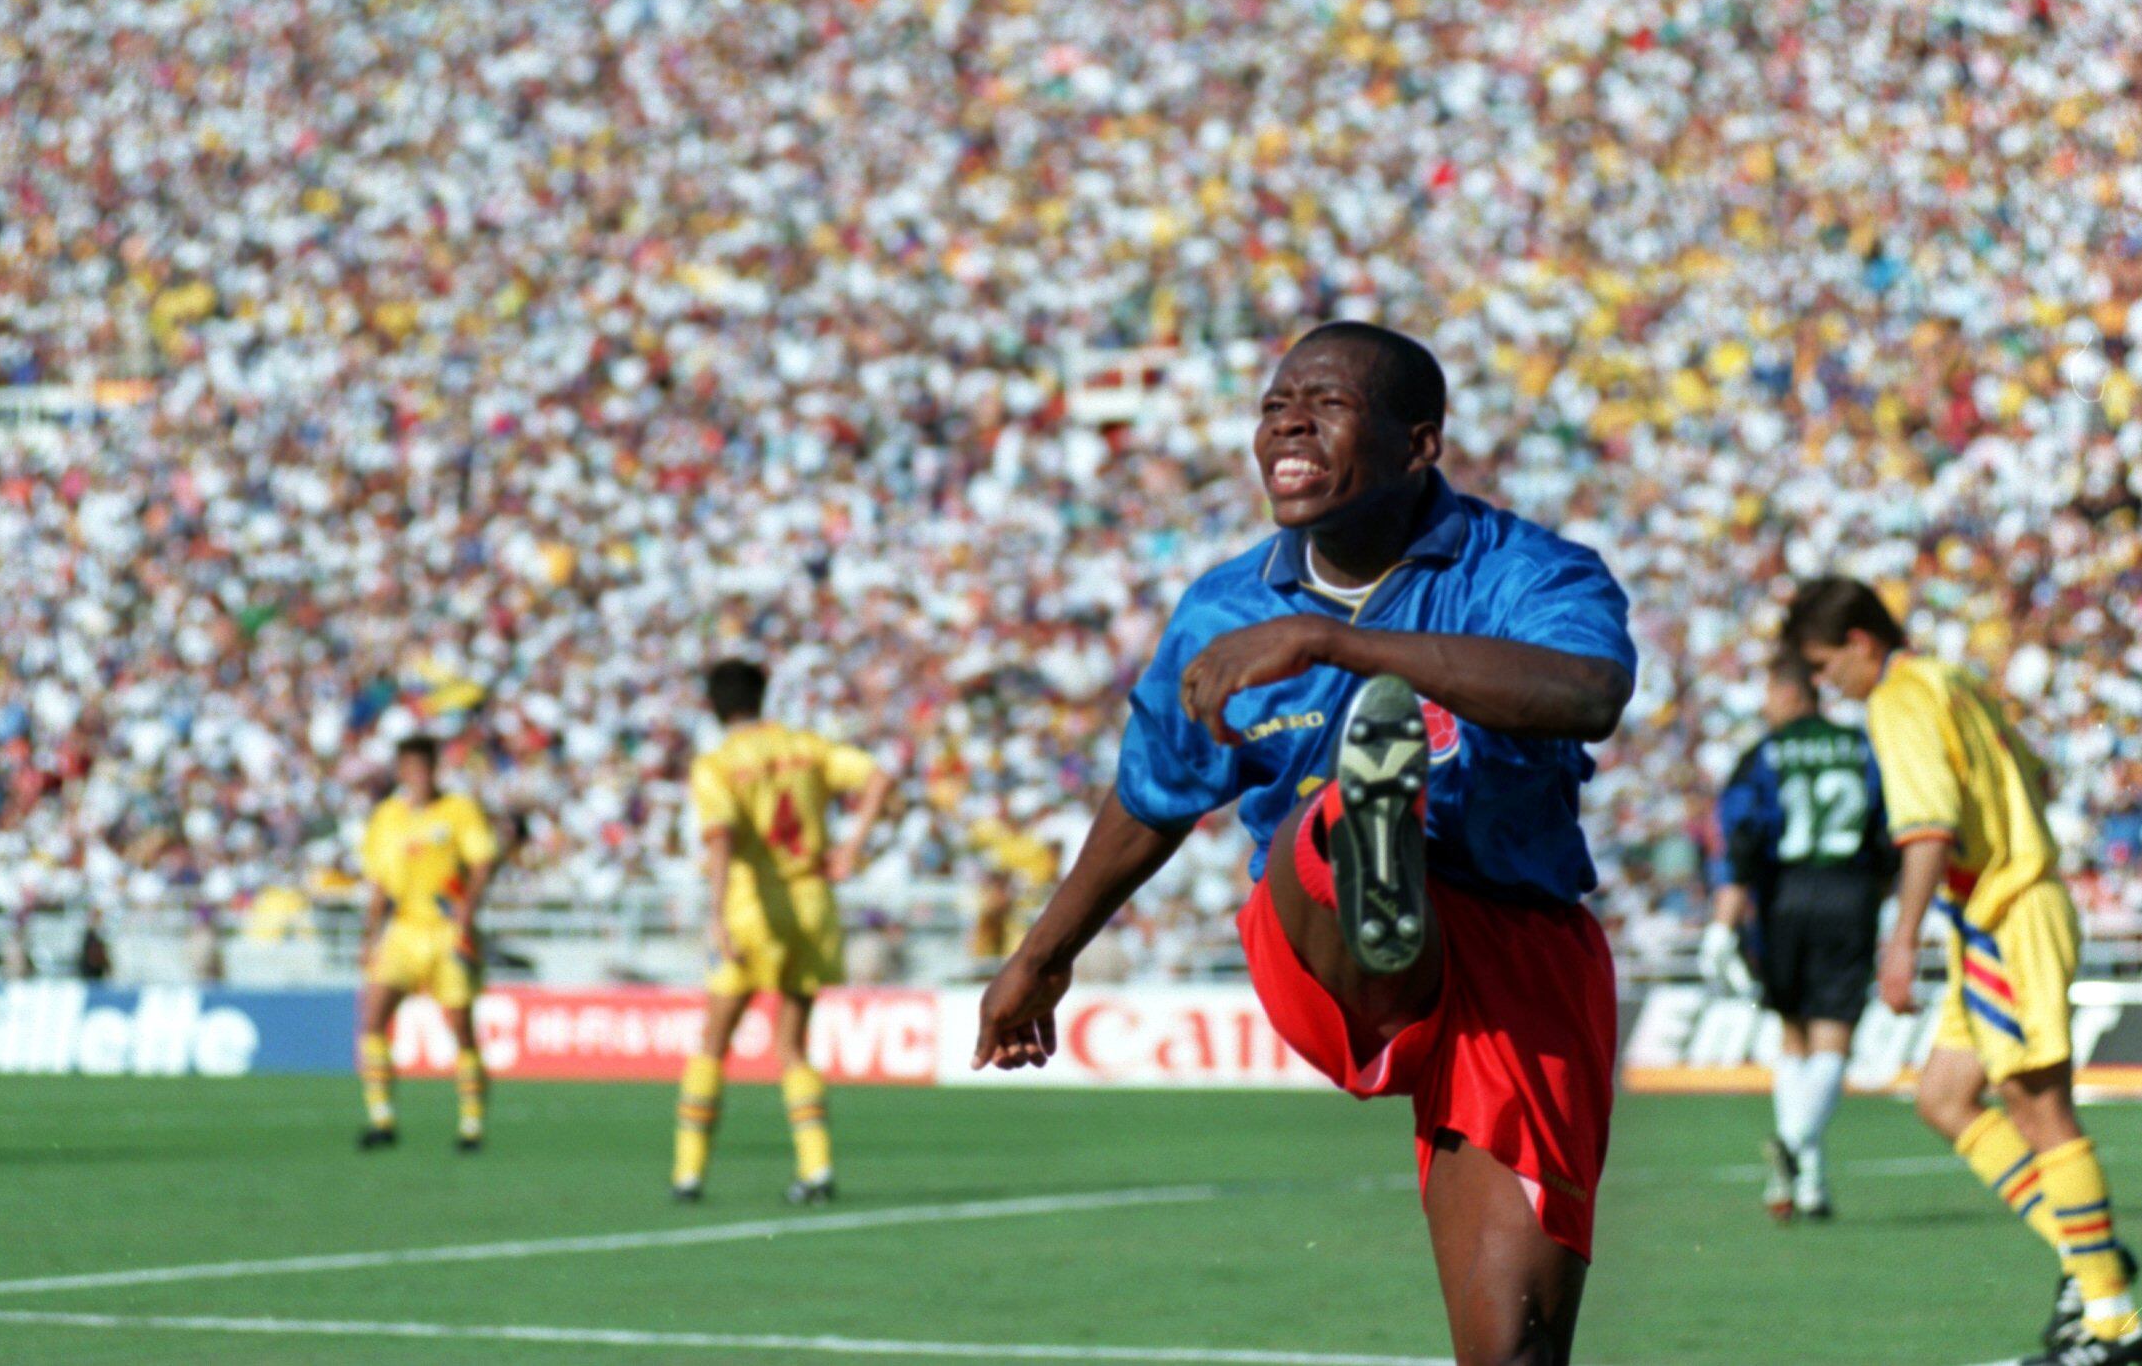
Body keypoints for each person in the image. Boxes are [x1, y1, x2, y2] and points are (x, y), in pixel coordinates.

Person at [975, 322, 1635, 1366]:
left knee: (1515, 1350)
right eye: (1274, 404)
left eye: (1324, 404)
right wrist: (1042, 953)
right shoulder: (1226, 607)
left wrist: (1335, 641)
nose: (1286, 421)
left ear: (1419, 443)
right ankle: (1370, 849)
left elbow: (1590, 692)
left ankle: (1381, 846)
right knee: (1327, 825)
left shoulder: (1529, 570)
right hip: (1317, 927)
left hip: (1514, 949)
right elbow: (1152, 798)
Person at [1787, 577, 2137, 1365]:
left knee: (2036, 1104)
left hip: (2004, 908)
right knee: (1944, 1096)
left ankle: (2113, 1321)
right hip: (1995, 914)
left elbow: (1927, 829)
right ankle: (2092, 1256)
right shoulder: (1953, 680)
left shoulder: (1896, 700)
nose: (1821, 683)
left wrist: (1901, 938)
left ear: (1859, 644)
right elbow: (2035, 773)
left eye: (1821, 664)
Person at [671, 659, 893, 1206]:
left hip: (754, 910)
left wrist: (716, 913)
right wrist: (851, 845)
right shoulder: (806, 747)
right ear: (763, 697)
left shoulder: (717, 764)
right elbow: (879, 777)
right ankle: (816, 1170)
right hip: (813, 905)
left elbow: (719, 839)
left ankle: (688, 1173)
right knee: (792, 1044)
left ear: (713, 705)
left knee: (713, 1041)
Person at [1701, 654, 1891, 1221]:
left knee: (1794, 1033)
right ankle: (1804, 1168)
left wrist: (1723, 924)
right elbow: (1891, 826)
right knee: (1832, 1036)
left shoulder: (1762, 754)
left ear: (1789, 694)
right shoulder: (1862, 747)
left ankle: (1796, 1155)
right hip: (1849, 893)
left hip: (1783, 901)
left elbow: (1740, 839)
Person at [354, 735, 499, 1152]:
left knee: (460, 1028)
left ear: (435, 769)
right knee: (373, 1017)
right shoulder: (387, 817)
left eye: (424, 767)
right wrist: (370, 937)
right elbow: (380, 885)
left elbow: (482, 863)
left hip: (446, 931)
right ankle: (382, 1119)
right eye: (409, 769)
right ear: (401, 772)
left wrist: (467, 917)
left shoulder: (458, 810)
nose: (417, 776)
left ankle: (471, 1125)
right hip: (403, 930)